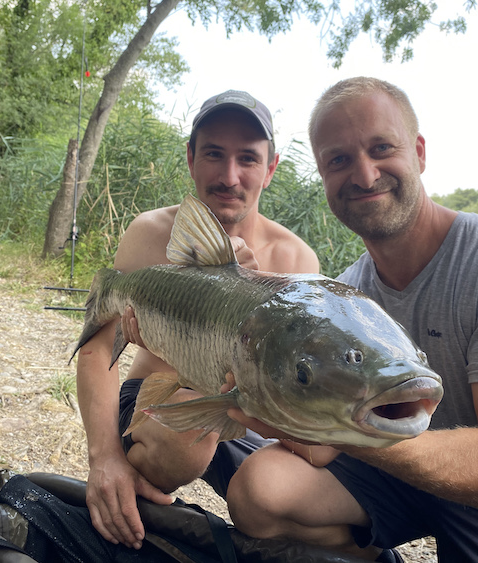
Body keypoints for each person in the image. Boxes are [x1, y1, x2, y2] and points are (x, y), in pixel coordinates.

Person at [220, 77, 478, 562]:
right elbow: (323, 450)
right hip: (400, 480)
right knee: (261, 491)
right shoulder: (346, 296)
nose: (364, 175)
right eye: (338, 160)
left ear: (419, 153)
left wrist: (345, 429)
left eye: (381, 148)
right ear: (323, 176)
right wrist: (281, 414)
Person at [75, 90, 320, 551]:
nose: (230, 176)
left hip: (251, 416)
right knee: (190, 432)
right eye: (213, 154)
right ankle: (131, 501)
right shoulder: (149, 234)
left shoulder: (296, 260)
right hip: (158, 404)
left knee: (310, 511)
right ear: (190, 158)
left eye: (248, 159)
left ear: (270, 168)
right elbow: (96, 349)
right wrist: (104, 457)